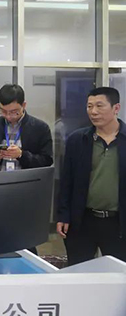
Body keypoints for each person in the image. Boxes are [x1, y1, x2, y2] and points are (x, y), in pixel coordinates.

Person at [57, 87, 126, 265]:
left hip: (118, 222)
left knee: (119, 275)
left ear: (116, 108)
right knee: (79, 272)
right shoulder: (77, 140)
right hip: (83, 220)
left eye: (99, 106)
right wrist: (63, 215)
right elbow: (67, 182)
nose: (93, 111)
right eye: (89, 106)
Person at [0, 84, 53, 172]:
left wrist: (21, 155)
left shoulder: (40, 128)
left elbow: (47, 160)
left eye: (13, 112)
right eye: (3, 111)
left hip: (27, 180)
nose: (8, 116)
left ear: (24, 105)